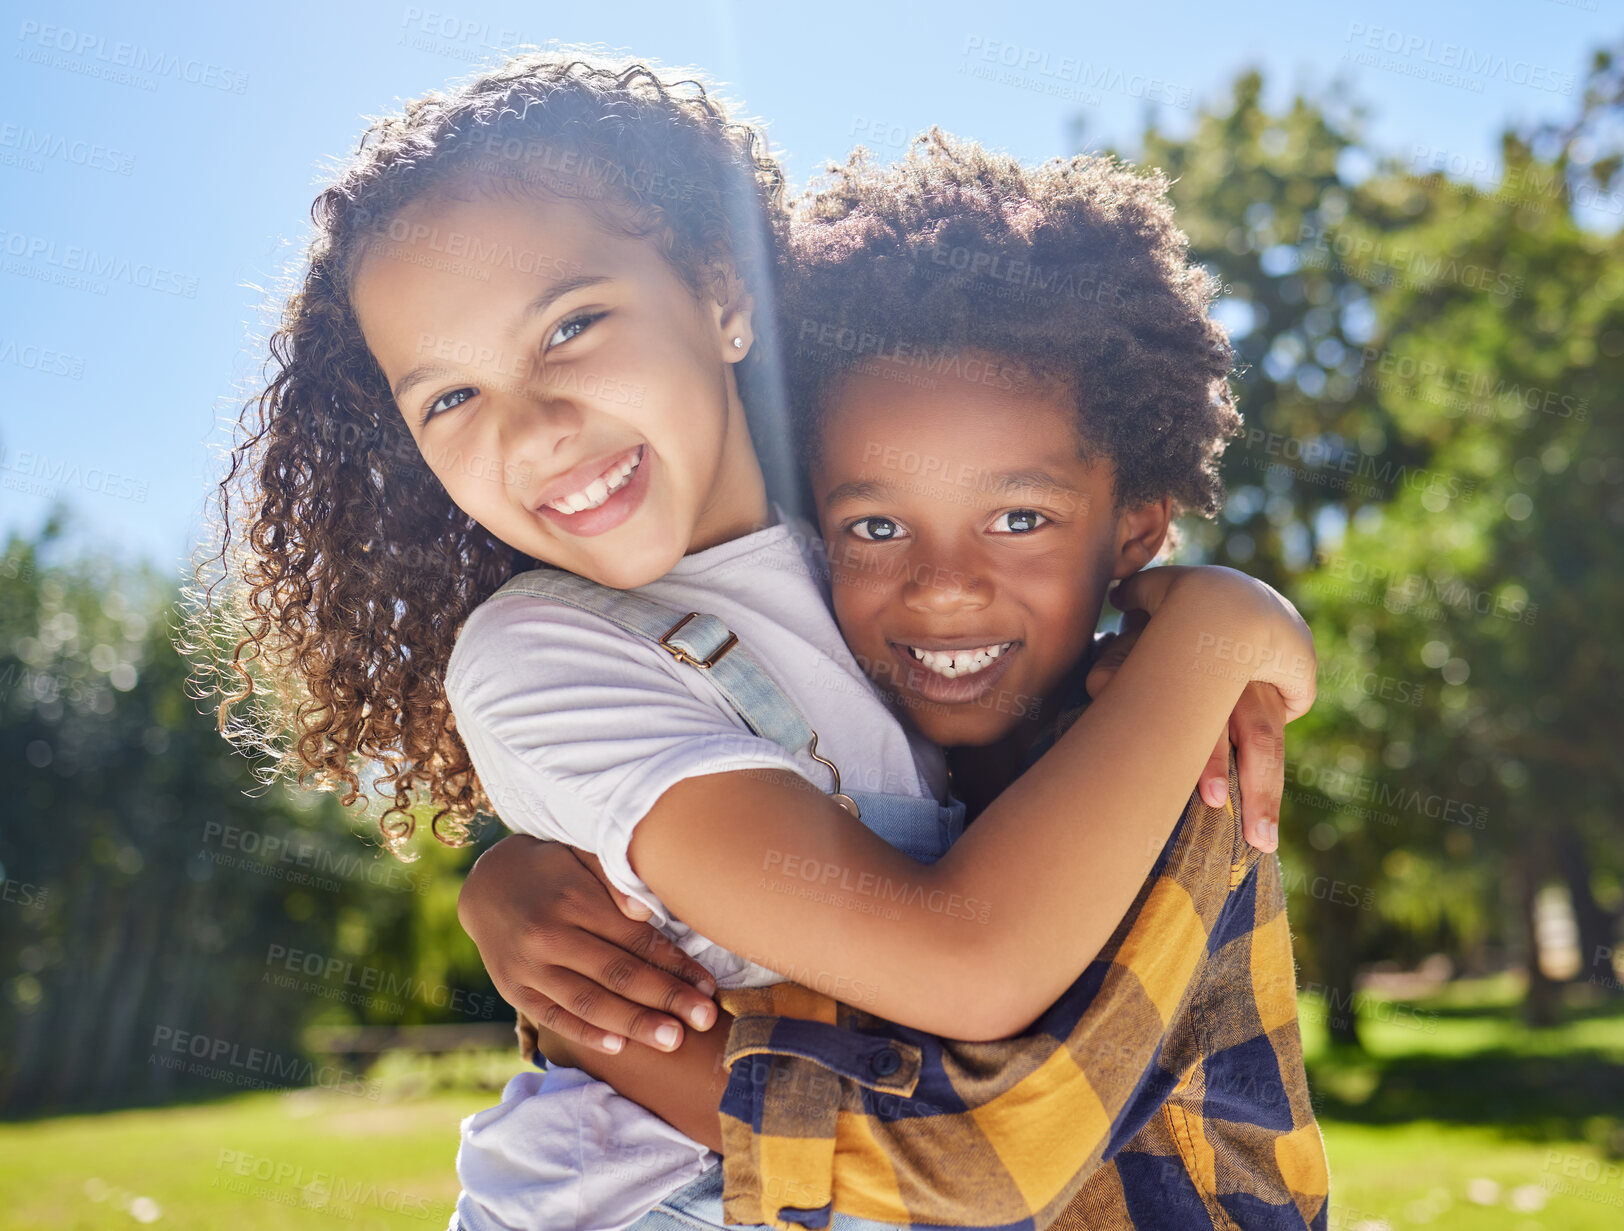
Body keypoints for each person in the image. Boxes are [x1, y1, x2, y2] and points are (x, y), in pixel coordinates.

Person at [196, 50, 1314, 1231]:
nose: (535, 431)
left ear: (721, 297)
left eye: (570, 326)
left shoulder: (866, 557)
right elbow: (968, 961)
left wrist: (1213, 641)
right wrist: (1219, 631)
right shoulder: (539, 654)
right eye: (450, 399)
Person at [463, 134, 1330, 1231]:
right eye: (873, 526)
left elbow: (971, 1154)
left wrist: (1229, 618)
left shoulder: (1183, 764)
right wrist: (515, 874)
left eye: (1019, 518)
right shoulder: (867, 715)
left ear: (1139, 529)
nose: (944, 590)